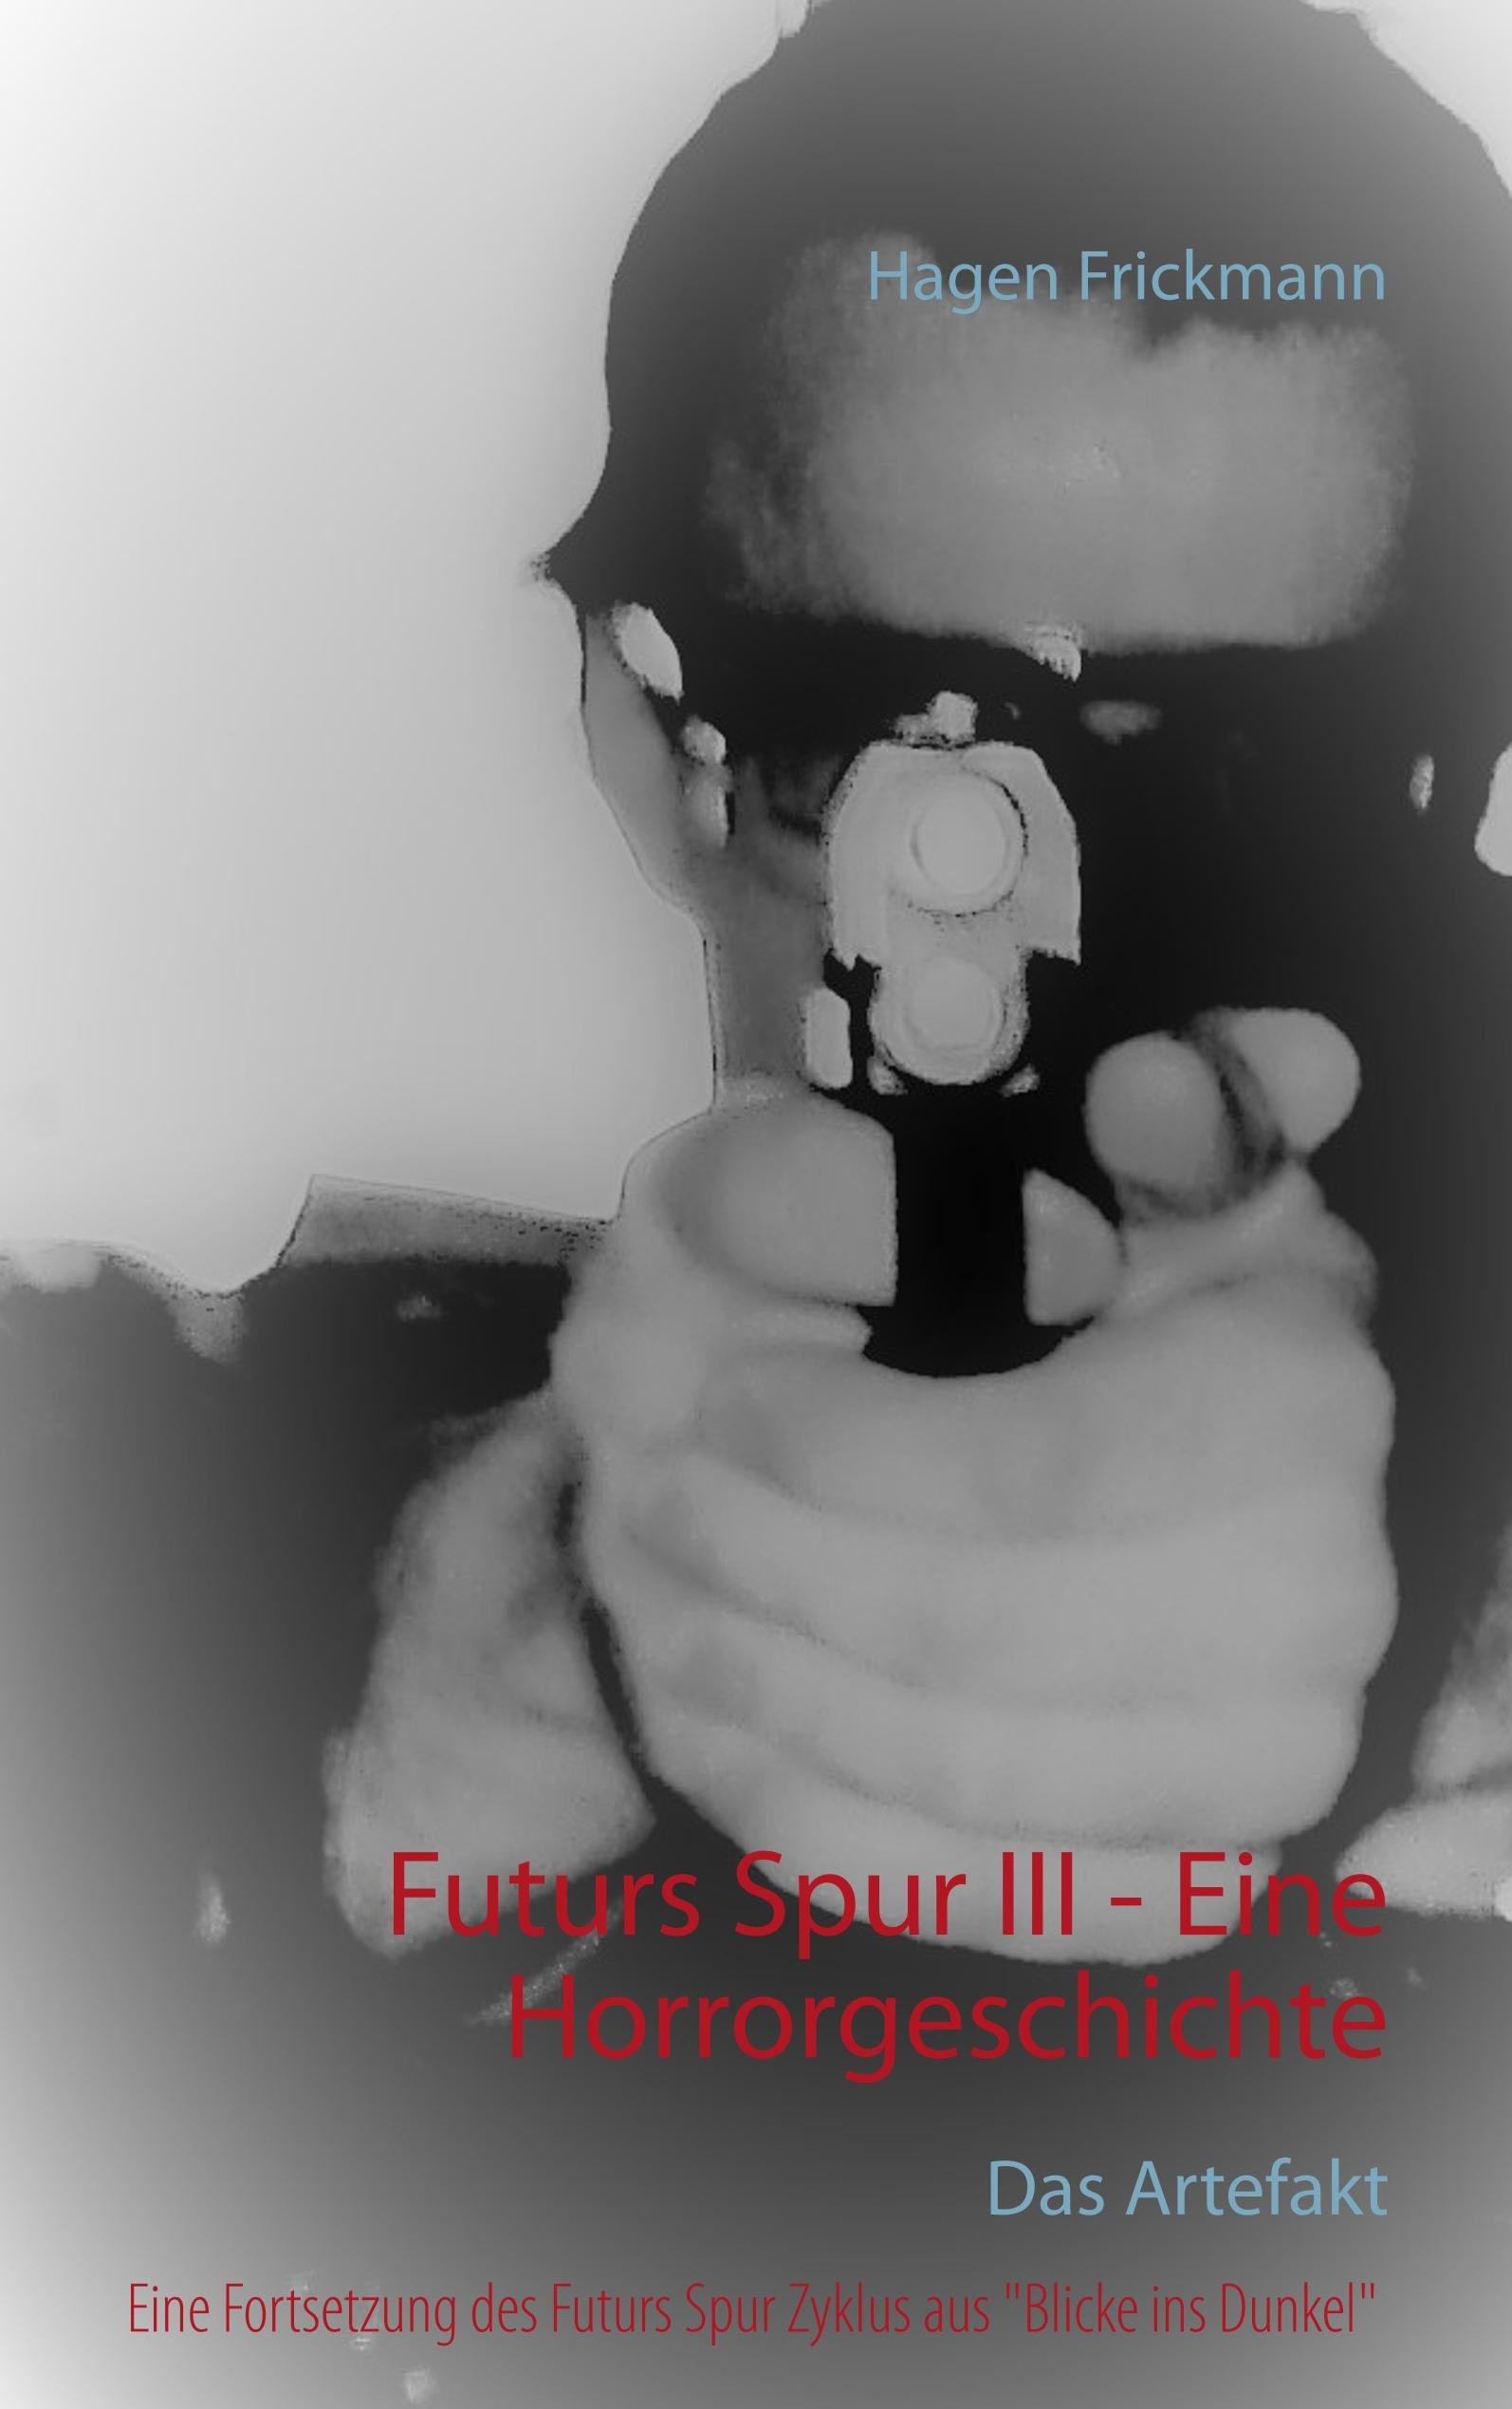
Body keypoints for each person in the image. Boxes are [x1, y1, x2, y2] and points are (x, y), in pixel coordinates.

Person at [7, 1, 1512, 2400]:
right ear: (645, 745)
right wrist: (443, 1699)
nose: (1051, 916)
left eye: (1266, 760)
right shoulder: (160, 1499)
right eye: (888, 734)